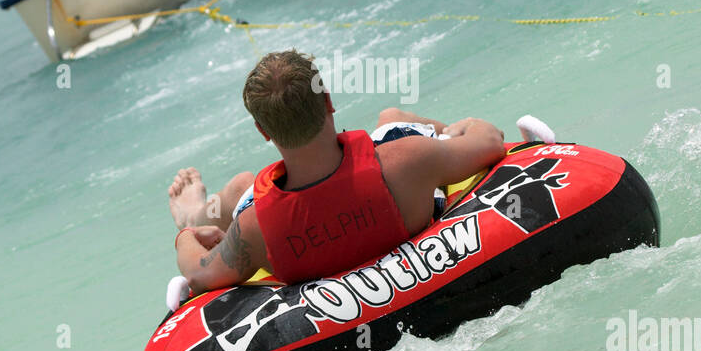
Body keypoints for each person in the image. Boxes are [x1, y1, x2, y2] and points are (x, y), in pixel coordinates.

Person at [168, 49, 506, 293]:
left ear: (263, 131)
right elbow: (491, 142)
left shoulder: (254, 227)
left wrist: (186, 235)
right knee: (391, 119)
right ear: (328, 101)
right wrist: (466, 127)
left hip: (291, 247)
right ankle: (445, 134)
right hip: (407, 197)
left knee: (242, 185)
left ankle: (196, 216)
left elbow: (199, 275)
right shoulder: (405, 160)